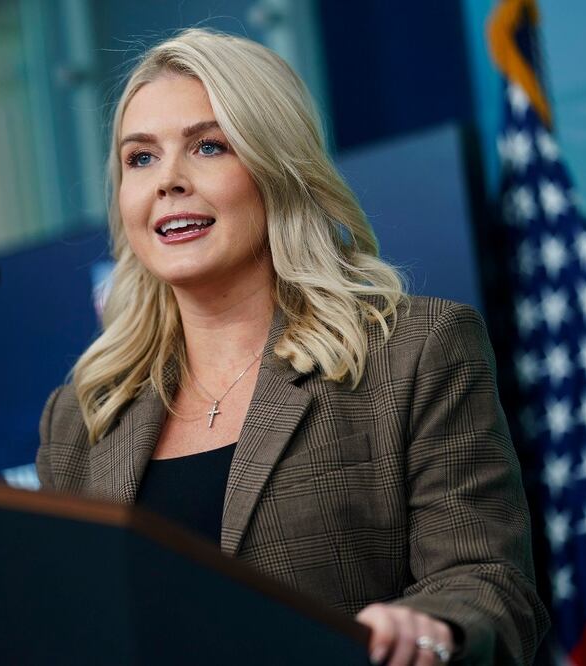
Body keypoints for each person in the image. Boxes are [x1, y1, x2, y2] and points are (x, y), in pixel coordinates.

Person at [36, 28, 549, 665]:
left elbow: (486, 580)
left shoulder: (415, 352)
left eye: (208, 146)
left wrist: (428, 629)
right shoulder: (82, 419)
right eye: (140, 158)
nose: (168, 179)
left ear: (278, 167)